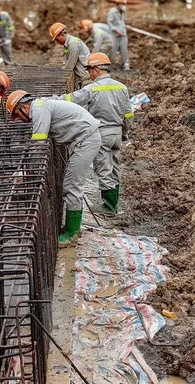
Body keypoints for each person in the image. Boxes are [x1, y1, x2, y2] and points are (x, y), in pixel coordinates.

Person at [7, 90, 101, 245]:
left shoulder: (38, 109)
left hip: (86, 141)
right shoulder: (41, 105)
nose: (18, 120)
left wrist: (25, 172)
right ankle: (71, 227)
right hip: (84, 140)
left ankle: (72, 233)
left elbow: (38, 144)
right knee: (71, 184)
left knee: (72, 186)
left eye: (17, 115)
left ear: (23, 107)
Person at [58, 52, 132, 214]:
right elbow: (128, 114)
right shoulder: (122, 87)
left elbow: (72, 99)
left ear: (97, 69)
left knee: (104, 169)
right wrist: (124, 132)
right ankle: (114, 201)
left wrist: (52, 100)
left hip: (102, 133)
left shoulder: (93, 88)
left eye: (90, 70)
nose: (89, 74)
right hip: (117, 133)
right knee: (115, 166)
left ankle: (109, 207)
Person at [49, 22, 90, 92]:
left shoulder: (72, 44)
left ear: (61, 34)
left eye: (57, 39)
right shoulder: (67, 45)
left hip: (85, 77)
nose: (57, 42)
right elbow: (66, 61)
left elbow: (71, 64)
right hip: (81, 77)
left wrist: (61, 77)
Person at [107, 0, 129, 71]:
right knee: (113, 50)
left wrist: (124, 27)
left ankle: (125, 65)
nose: (123, 6)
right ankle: (108, 66)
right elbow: (109, 23)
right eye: (122, 4)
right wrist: (116, 30)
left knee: (124, 50)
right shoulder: (112, 12)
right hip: (114, 35)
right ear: (118, 4)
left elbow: (121, 22)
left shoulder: (122, 12)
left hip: (123, 34)